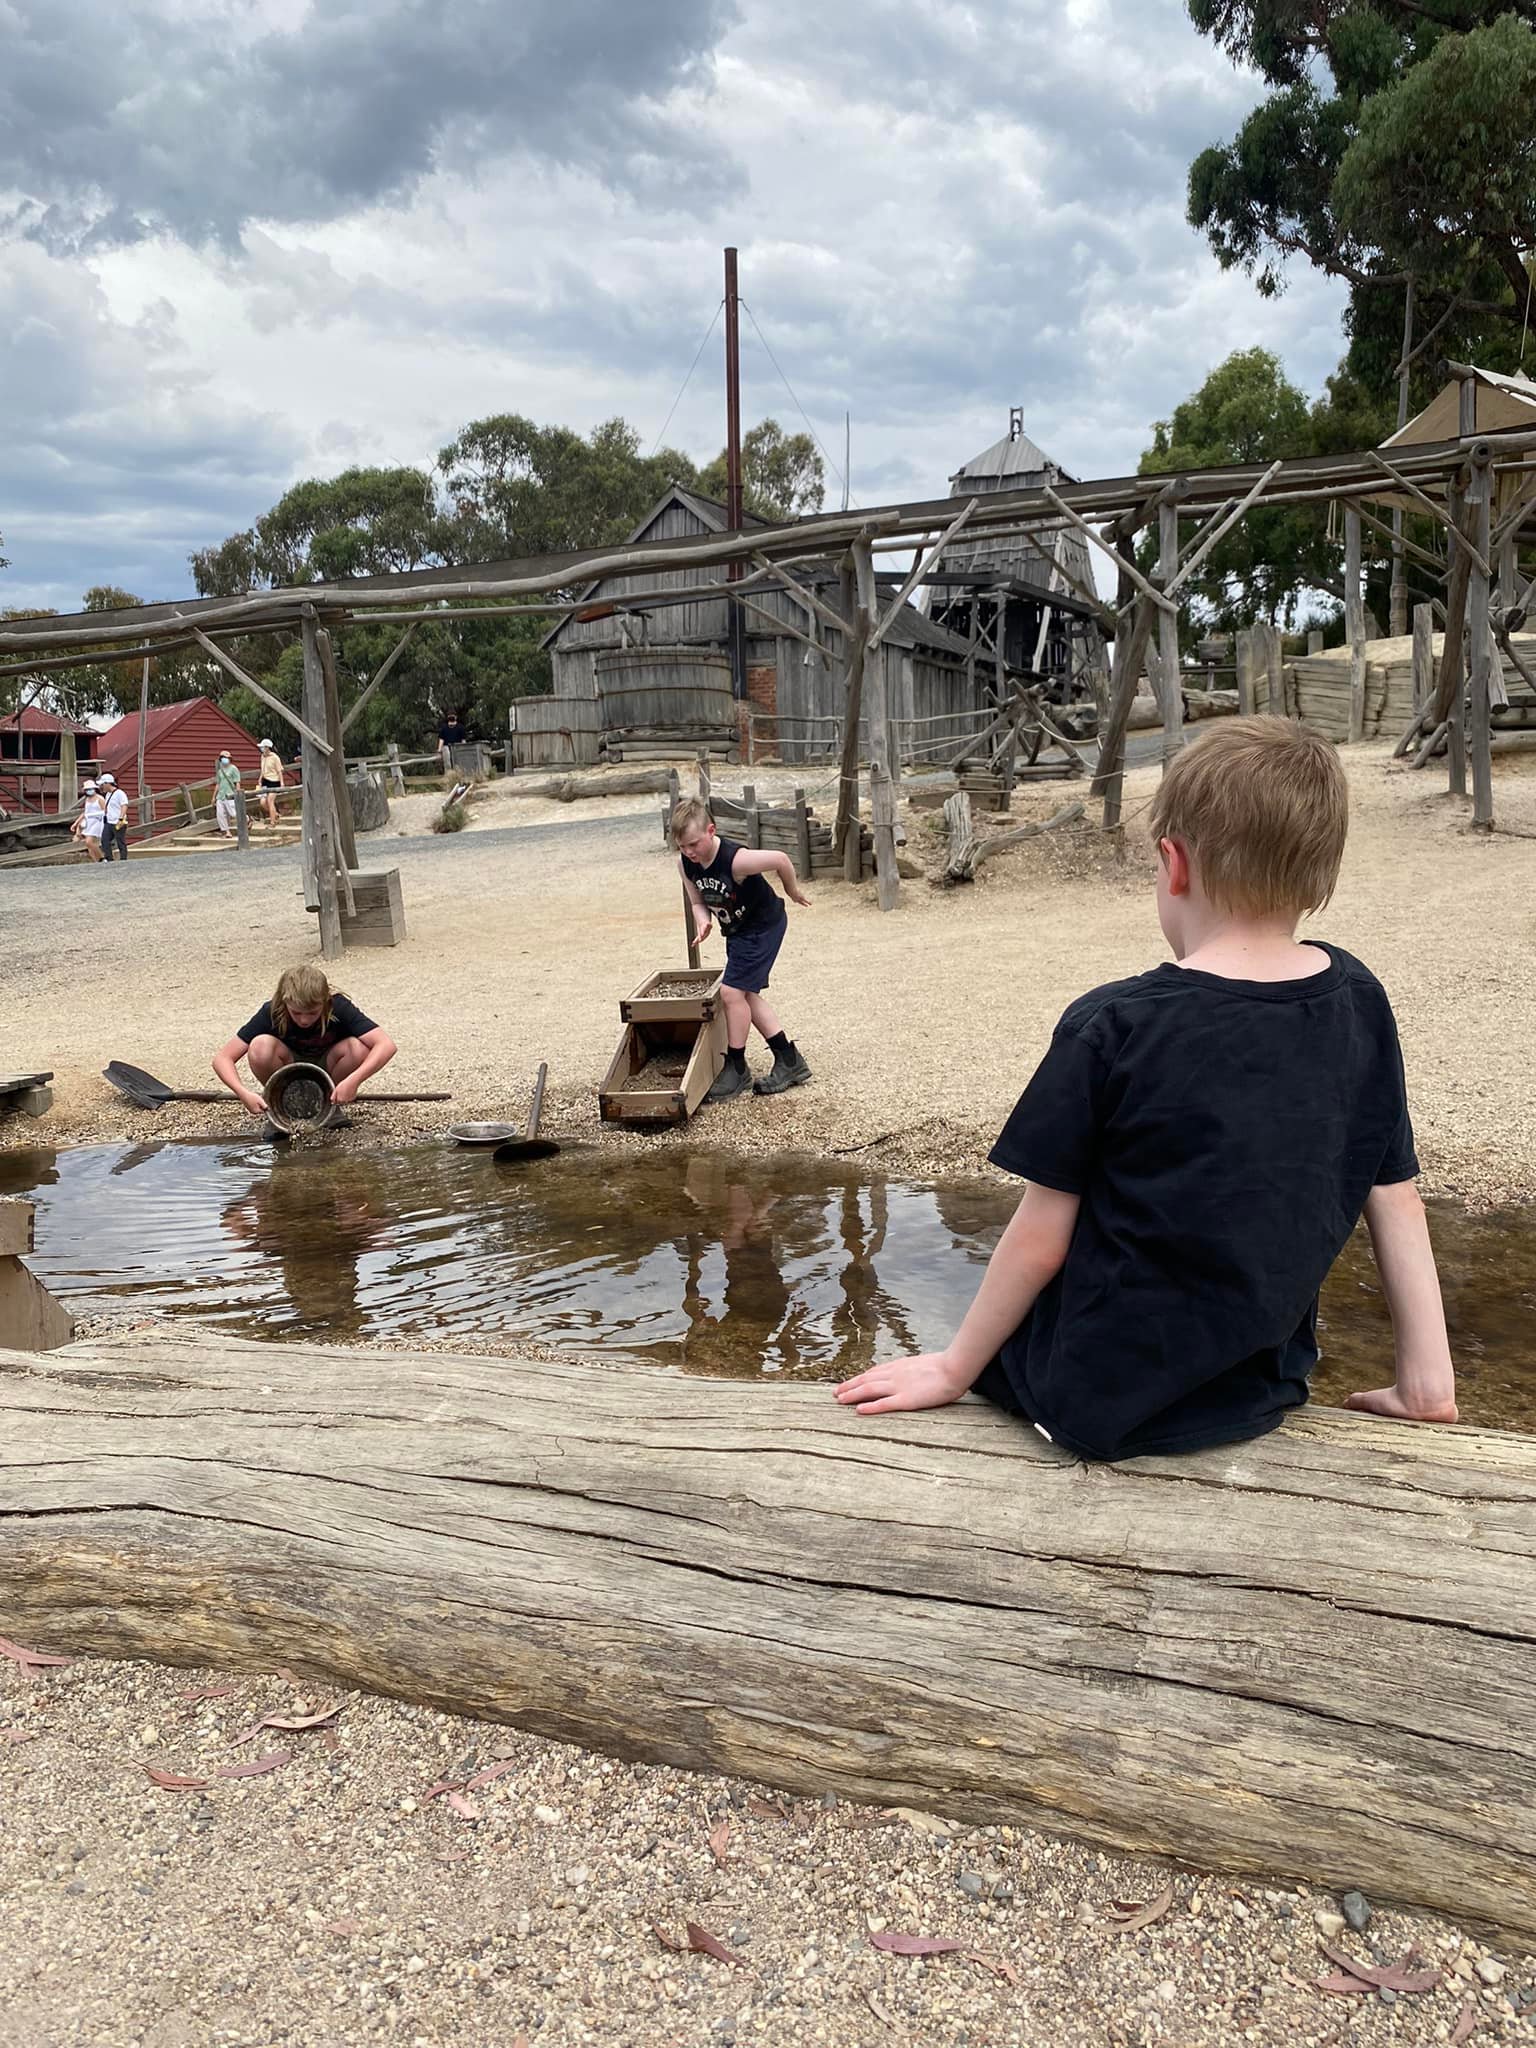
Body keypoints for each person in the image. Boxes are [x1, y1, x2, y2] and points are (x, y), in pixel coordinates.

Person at [836, 716, 1458, 1460]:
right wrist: (1426, 1385)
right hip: (1260, 1391)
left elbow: (1039, 1240)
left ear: (1174, 864)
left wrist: (954, 1366)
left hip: (1093, 1403)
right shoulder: (1359, 999)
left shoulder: (1113, 1024)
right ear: (1321, 876)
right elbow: (1394, 1196)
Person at [672, 796, 812, 1101]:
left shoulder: (736, 860)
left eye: (694, 844)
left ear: (711, 830)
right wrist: (702, 922)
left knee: (731, 993)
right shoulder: (685, 864)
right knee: (744, 994)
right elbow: (697, 901)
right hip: (737, 931)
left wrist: (792, 890)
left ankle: (736, 1068)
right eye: (683, 846)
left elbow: (781, 859)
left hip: (763, 926)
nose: (689, 852)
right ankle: (788, 1060)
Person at [212, 963, 397, 1117]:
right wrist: (243, 1093)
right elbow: (222, 1059)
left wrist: (353, 1080)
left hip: (329, 1070)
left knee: (358, 1048)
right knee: (260, 1046)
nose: (304, 1020)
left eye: (313, 1013)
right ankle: (281, 1103)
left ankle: (329, 1103)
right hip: (288, 1069)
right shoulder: (272, 1011)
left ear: (325, 1002)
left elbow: (386, 1045)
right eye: (296, 1013)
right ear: (285, 1003)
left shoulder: (338, 1006)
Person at [71, 779, 105, 863]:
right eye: (87, 790)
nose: (89, 791)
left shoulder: (100, 799)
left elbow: (105, 811)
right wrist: (76, 823)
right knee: (88, 844)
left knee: (89, 841)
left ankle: (102, 858)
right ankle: (95, 861)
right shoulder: (87, 800)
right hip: (89, 822)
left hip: (97, 821)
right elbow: (85, 813)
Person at [99, 772, 129, 861]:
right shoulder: (107, 795)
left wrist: (121, 818)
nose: (102, 787)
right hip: (109, 821)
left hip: (117, 821)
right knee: (105, 840)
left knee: (120, 841)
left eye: (103, 784)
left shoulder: (120, 793)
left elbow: (124, 805)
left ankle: (123, 858)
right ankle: (109, 858)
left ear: (107, 783)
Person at [257, 739, 285, 827]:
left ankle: (272, 822)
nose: (261, 749)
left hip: (274, 781)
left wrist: (282, 783)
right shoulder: (262, 757)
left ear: (267, 748)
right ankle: (275, 814)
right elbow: (263, 769)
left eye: (263, 747)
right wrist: (260, 778)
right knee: (262, 802)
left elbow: (279, 770)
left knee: (270, 800)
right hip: (265, 781)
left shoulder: (275, 757)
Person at [214, 750, 241, 837]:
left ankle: (247, 819)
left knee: (233, 813)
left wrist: (238, 793)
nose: (225, 759)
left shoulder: (234, 769)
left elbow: (237, 782)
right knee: (221, 815)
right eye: (223, 758)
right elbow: (218, 784)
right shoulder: (220, 771)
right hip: (221, 795)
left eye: (227, 758)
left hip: (230, 794)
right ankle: (226, 832)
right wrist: (214, 796)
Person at [437, 707, 467, 773]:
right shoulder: (444, 727)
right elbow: (441, 740)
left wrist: (464, 750)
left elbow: (463, 740)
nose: (451, 717)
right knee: (445, 750)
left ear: (456, 717)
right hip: (446, 748)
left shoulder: (461, 727)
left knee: (458, 765)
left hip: (457, 748)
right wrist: (439, 751)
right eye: (449, 716)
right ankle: (449, 774)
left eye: (452, 716)